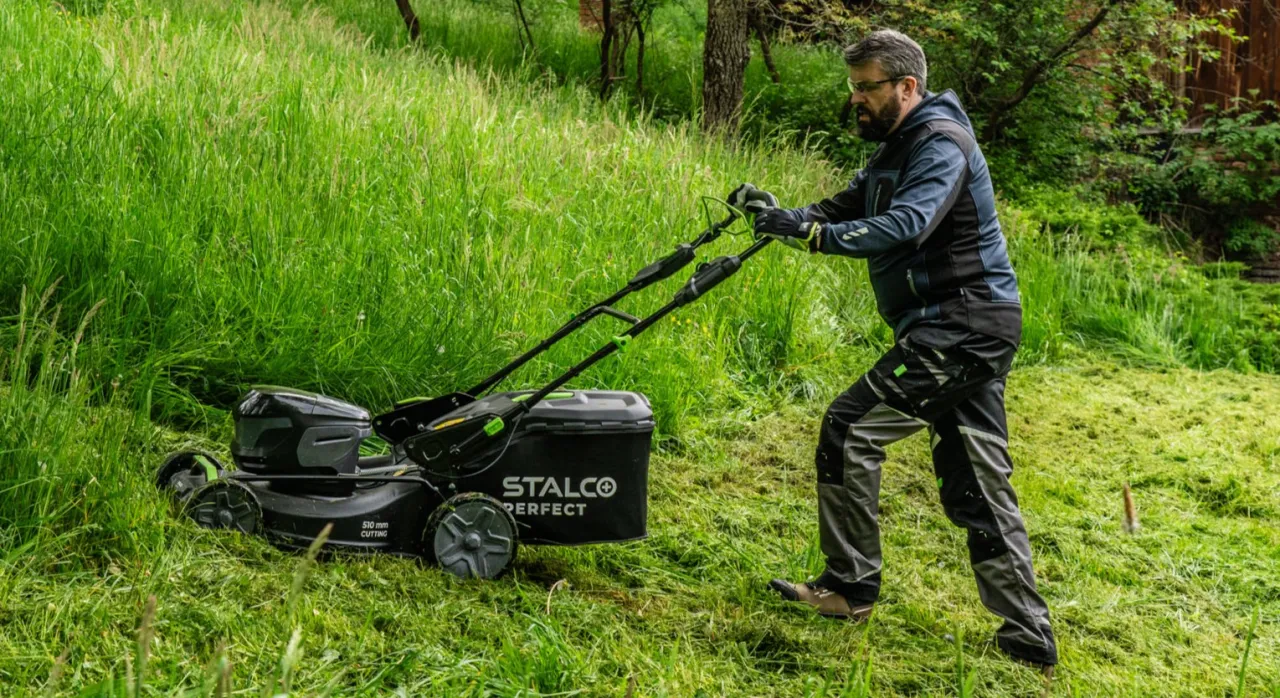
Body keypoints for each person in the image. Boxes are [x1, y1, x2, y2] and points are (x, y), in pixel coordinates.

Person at [729, 29, 1058, 672]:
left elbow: (907, 223)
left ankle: (849, 589)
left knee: (849, 428)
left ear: (906, 87)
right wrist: (778, 217)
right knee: (977, 481)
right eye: (852, 87)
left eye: (866, 87)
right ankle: (1028, 636)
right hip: (962, 328)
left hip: (960, 328)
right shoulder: (895, 148)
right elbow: (833, 209)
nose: (855, 99)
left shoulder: (940, 143)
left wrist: (817, 235)